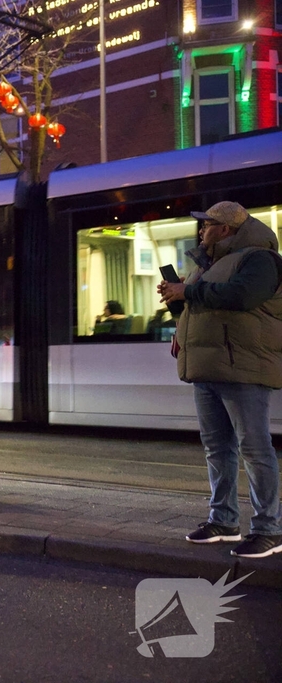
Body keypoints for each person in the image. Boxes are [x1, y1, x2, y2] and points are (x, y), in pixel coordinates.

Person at [158, 201, 282, 558]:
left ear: (226, 228)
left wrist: (189, 291)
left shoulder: (260, 259)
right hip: (207, 366)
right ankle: (224, 520)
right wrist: (180, 317)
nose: (201, 230)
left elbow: (243, 296)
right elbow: (203, 305)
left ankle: (268, 528)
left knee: (255, 449)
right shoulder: (207, 264)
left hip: (243, 368)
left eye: (207, 224)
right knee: (217, 448)